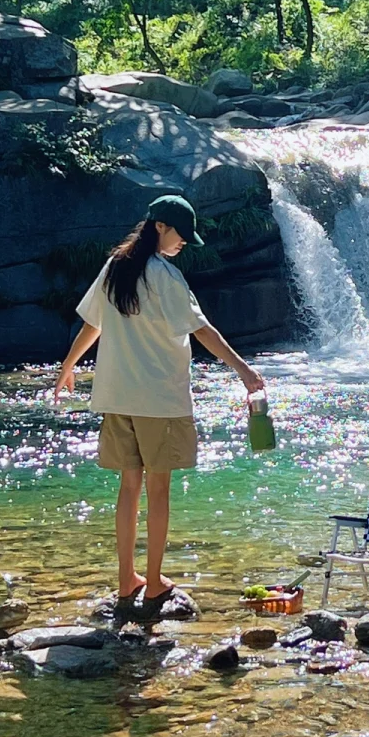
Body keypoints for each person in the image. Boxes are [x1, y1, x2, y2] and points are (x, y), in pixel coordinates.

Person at [54, 194, 264, 620]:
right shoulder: (165, 276)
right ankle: (152, 583)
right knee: (159, 491)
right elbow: (201, 330)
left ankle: (125, 579)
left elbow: (92, 323)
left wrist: (68, 365)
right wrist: (244, 372)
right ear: (160, 227)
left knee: (128, 488)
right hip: (159, 400)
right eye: (181, 233)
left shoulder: (115, 267)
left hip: (118, 397)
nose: (185, 241)